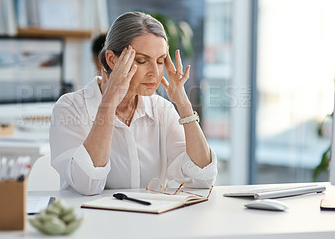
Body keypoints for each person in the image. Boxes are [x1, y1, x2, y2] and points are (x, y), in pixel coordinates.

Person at [50, 11, 217, 195]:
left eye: (160, 61)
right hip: (91, 221)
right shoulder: (70, 108)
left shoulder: (162, 109)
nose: (154, 72)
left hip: (149, 220)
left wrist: (183, 103)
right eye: (142, 61)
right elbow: (88, 185)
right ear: (112, 60)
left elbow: (203, 178)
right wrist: (108, 104)